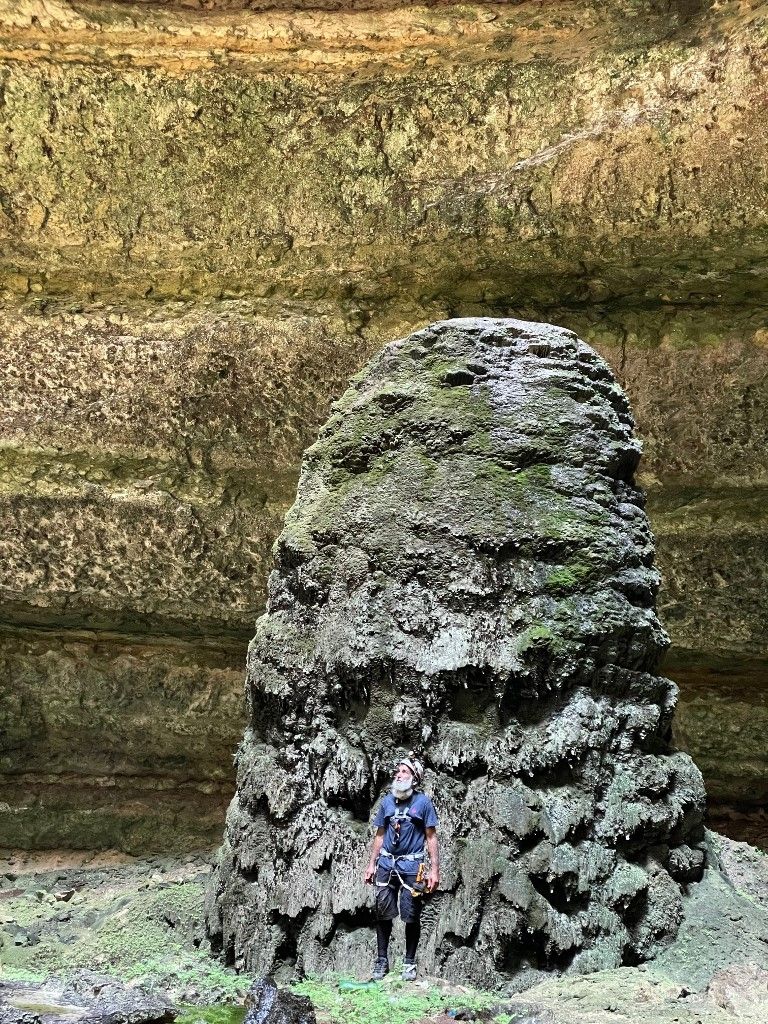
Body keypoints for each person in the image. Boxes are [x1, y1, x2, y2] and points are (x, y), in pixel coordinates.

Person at [363, 753, 439, 981]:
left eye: (404, 771)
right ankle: (381, 961)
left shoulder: (423, 803)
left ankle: (409, 963)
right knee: (382, 913)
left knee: (411, 915)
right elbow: (379, 835)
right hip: (386, 865)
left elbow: (431, 837)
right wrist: (371, 864)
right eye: (397, 771)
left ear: (414, 777)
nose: (399, 774)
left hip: (411, 866)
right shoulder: (386, 802)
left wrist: (435, 870)